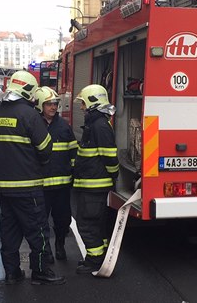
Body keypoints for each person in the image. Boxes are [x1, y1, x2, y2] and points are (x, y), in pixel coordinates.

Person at [0, 71, 65, 285]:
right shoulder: (29, 115)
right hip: (28, 187)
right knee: (38, 230)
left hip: (2, 188)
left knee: (9, 231)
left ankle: (12, 272)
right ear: (28, 90)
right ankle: (40, 271)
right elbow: (46, 149)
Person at [73, 84, 119, 274]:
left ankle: (94, 260)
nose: (81, 107)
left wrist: (113, 173)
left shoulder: (99, 125)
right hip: (92, 184)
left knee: (87, 223)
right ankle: (100, 256)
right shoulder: (97, 122)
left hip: (94, 184)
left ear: (92, 102)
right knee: (96, 222)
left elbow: (109, 155)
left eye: (83, 103)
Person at [34, 86, 77, 263]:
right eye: (49, 104)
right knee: (41, 221)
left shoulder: (63, 126)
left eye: (55, 104)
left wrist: (73, 172)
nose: (53, 107)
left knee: (63, 220)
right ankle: (47, 251)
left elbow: (73, 151)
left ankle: (60, 245)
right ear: (40, 105)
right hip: (41, 186)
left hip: (62, 186)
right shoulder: (34, 124)